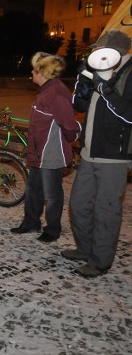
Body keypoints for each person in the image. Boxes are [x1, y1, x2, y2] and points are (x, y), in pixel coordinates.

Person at [63, 30, 132, 277]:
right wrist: (83, 85)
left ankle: (100, 261)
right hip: (90, 153)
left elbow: (128, 114)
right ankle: (85, 248)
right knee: (79, 204)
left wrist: (105, 87)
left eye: (99, 50)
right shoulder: (97, 71)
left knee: (106, 210)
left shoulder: (129, 75)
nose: (95, 54)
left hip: (115, 156)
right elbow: (79, 106)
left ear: (117, 52)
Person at [9, 52, 81, 242]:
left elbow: (69, 126)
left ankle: (52, 229)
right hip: (38, 150)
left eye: (34, 69)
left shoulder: (55, 93)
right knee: (34, 190)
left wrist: (68, 143)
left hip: (51, 151)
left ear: (42, 72)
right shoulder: (46, 90)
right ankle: (31, 222)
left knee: (52, 193)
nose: (31, 72)